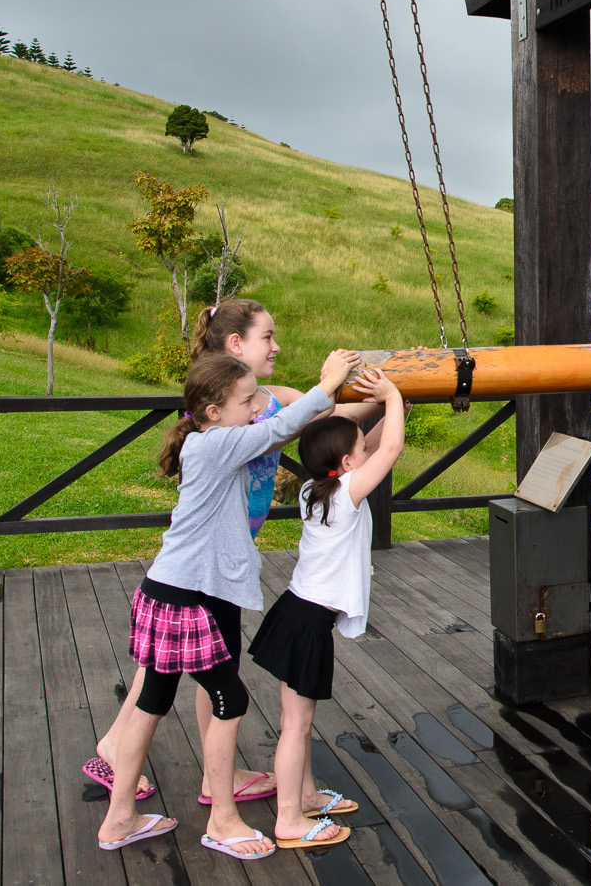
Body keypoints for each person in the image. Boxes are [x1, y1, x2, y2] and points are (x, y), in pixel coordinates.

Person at [86, 299, 383, 806]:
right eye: (268, 337)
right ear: (236, 345)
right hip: (202, 570)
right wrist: (338, 386)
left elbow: (332, 420)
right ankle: (172, 771)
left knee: (169, 671)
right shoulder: (244, 412)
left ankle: (145, 760)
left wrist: (395, 397)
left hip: (216, 561)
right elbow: (297, 420)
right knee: (193, 673)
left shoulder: (257, 396)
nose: (277, 345)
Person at [249, 368, 407, 848]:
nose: (367, 451)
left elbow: (376, 444)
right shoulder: (346, 495)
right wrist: (393, 394)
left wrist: (401, 406)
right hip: (306, 623)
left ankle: (308, 794)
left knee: (293, 720)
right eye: (358, 449)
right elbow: (390, 451)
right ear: (345, 461)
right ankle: (290, 819)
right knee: (296, 725)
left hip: (294, 613)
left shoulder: (316, 487)